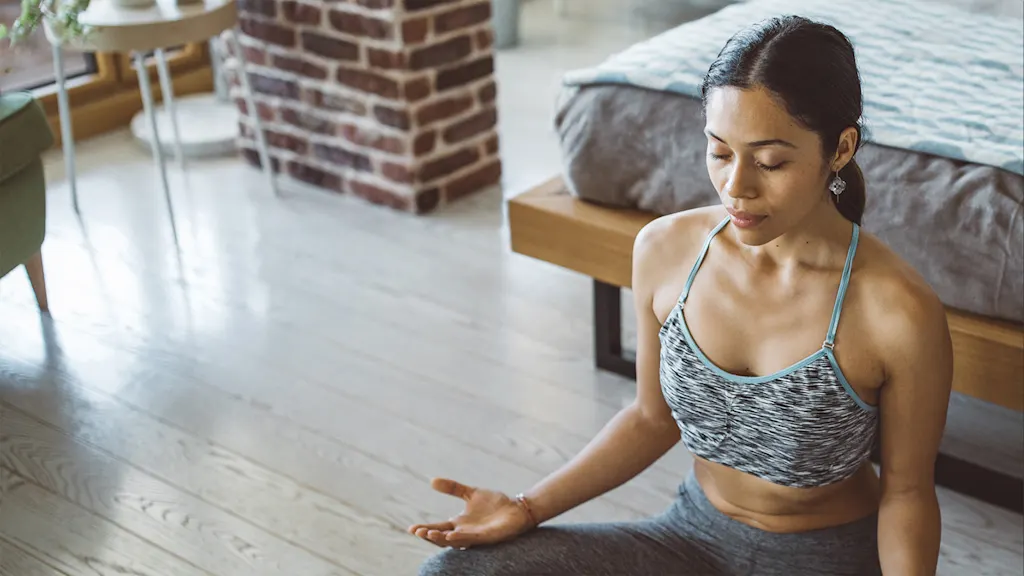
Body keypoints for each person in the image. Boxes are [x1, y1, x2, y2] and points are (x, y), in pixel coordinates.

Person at [410, 15, 953, 576]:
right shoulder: (667, 250)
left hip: (824, 559)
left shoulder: (898, 312)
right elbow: (651, 417)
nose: (736, 186)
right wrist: (525, 509)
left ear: (840, 149)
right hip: (690, 541)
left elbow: (908, 495)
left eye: (771, 162)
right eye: (720, 152)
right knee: (453, 572)